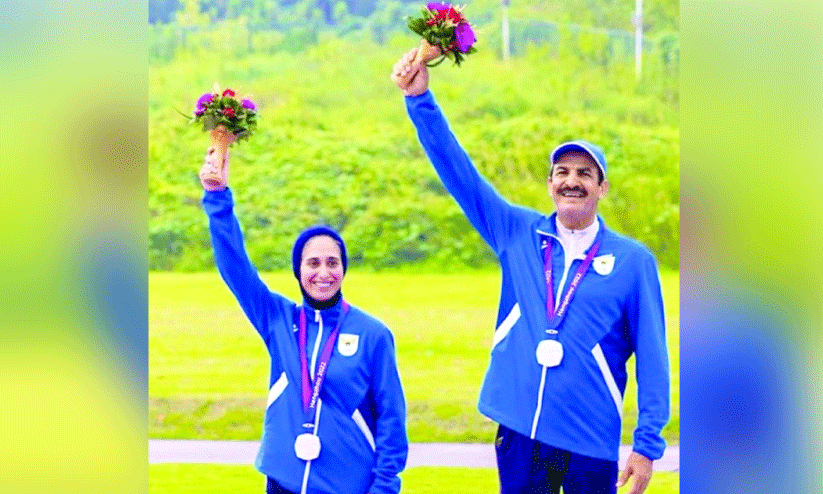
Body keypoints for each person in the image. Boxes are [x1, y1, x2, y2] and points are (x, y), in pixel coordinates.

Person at [391, 48, 670, 494]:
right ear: (550, 183)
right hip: (521, 431)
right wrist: (420, 101)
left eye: (584, 173)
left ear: (602, 187)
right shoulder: (517, 233)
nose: (571, 180)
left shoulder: (633, 261)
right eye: (561, 171)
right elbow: (460, 174)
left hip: (591, 437)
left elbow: (654, 359)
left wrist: (647, 444)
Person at [198, 146, 408, 494]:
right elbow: (235, 268)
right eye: (313, 263)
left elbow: (391, 420)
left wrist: (385, 487)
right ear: (298, 270)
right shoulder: (278, 320)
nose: (323, 273)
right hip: (284, 482)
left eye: (332, 262)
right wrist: (217, 197)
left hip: (348, 486)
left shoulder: (373, 335)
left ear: (343, 269)